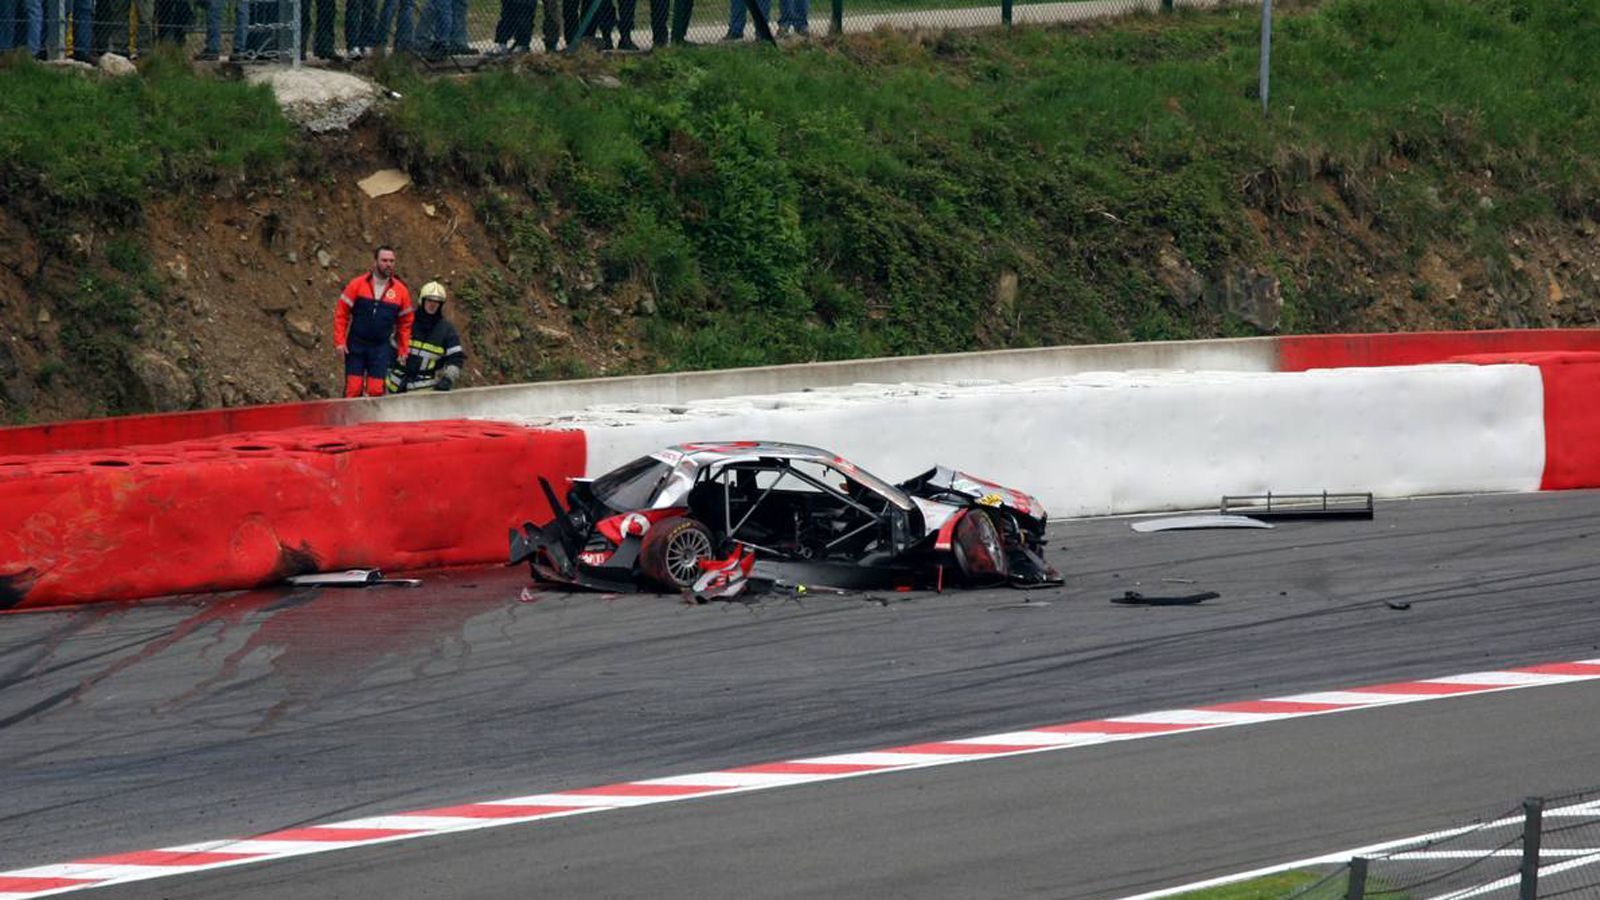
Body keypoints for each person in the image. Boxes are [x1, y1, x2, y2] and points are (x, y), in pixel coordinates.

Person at [335, 246, 414, 398]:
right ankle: (349, 421)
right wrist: (339, 341)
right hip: (356, 344)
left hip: (381, 348)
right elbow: (341, 314)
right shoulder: (357, 285)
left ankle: (372, 422)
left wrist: (403, 349)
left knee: (376, 390)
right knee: (353, 388)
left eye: (391, 261)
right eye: (384, 260)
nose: (388, 264)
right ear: (375, 262)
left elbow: (405, 323)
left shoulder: (401, 291)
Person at [387, 281, 465, 393]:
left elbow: (456, 358)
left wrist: (448, 379)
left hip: (423, 391)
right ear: (422, 301)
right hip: (394, 386)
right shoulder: (406, 322)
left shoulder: (447, 330)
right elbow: (389, 351)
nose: (433, 305)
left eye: (437, 302)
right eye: (429, 300)